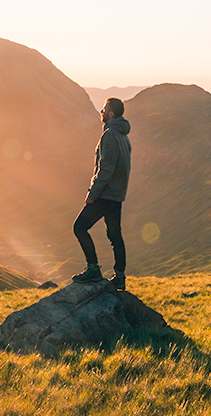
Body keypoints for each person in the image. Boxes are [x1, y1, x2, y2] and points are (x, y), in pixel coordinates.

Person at [72, 97, 132, 290]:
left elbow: (105, 169)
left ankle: (93, 269)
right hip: (117, 196)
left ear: (111, 114)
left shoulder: (110, 135)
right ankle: (120, 277)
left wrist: (93, 193)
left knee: (80, 227)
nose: (102, 111)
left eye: (104, 109)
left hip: (105, 195)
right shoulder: (124, 136)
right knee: (115, 236)